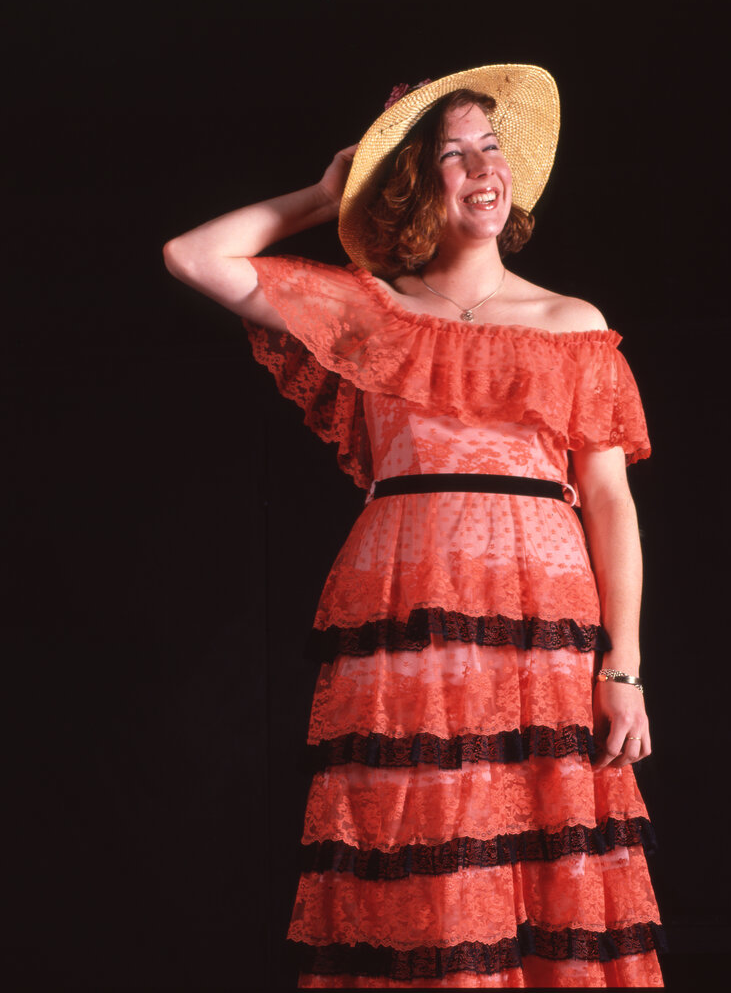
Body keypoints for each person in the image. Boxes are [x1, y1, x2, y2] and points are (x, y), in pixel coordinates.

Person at [163, 64, 664, 988]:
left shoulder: (571, 323)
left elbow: (610, 504)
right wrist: (323, 195)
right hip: (407, 611)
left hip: (541, 621)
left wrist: (623, 665)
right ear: (414, 183)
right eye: (452, 152)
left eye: (492, 146)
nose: (483, 165)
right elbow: (194, 257)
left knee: (549, 850)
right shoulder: (373, 311)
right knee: (427, 844)